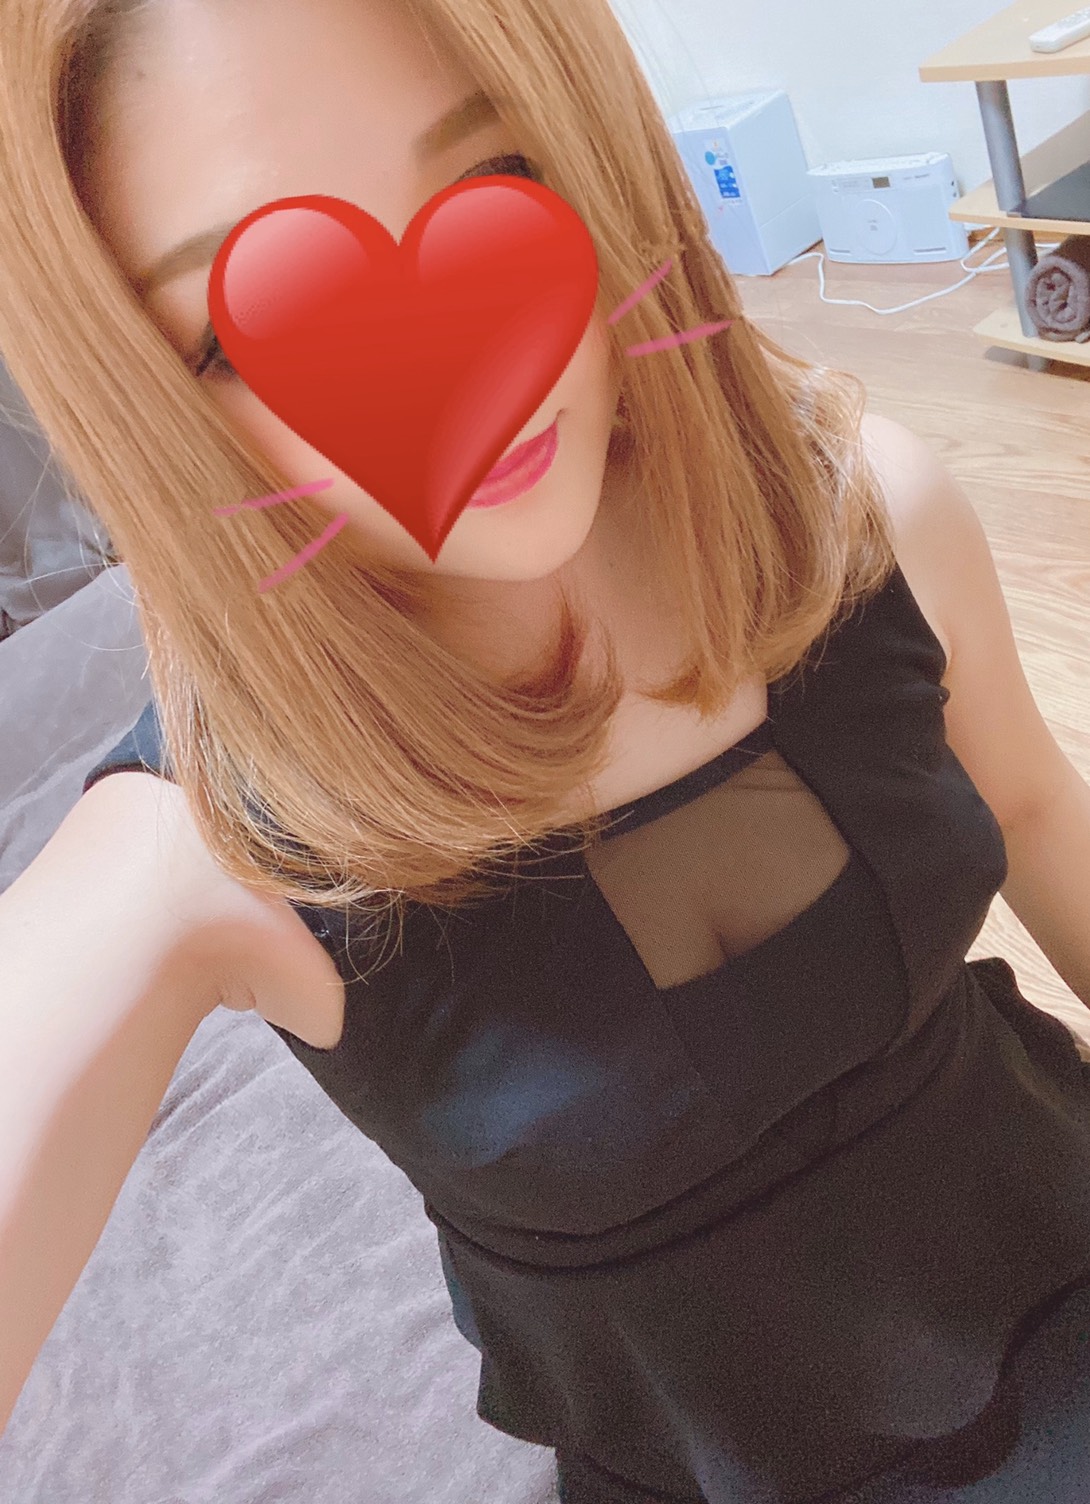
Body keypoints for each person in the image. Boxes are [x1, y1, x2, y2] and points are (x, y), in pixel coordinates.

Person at [3, 0, 1090, 1499]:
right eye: (244, 331)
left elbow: (1027, 804)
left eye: (496, 181)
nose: (458, 373)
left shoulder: (858, 518)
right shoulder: (208, 850)